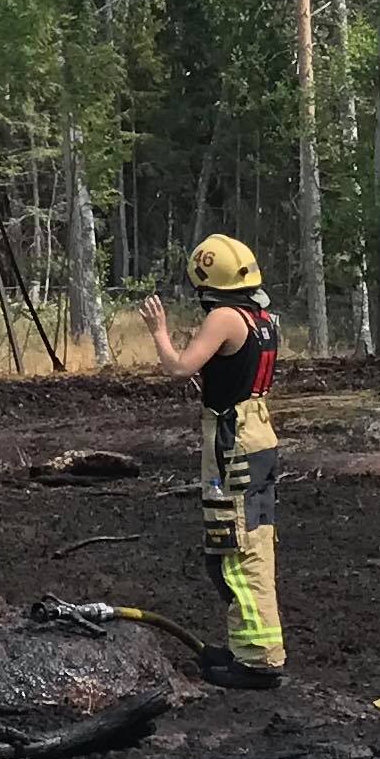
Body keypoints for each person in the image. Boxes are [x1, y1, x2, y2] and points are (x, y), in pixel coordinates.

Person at [143, 233, 285, 685]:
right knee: (255, 542)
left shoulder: (225, 316)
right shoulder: (263, 317)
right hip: (259, 433)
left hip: (233, 439)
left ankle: (258, 661)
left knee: (234, 547)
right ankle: (250, 646)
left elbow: (180, 367)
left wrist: (159, 333)